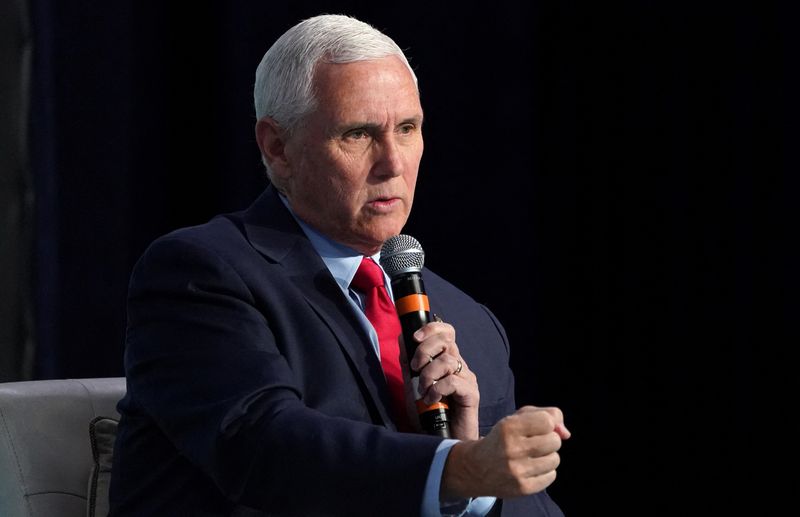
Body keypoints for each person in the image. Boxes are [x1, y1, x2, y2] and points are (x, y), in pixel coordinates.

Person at [109, 13, 569, 517]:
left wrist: (475, 486)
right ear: (278, 147)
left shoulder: (472, 324)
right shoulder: (200, 274)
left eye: (408, 128)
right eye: (358, 133)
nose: (393, 162)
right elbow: (265, 447)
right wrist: (454, 466)